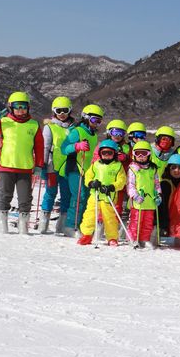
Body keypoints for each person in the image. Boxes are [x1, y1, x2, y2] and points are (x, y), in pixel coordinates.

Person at [0, 91, 44, 235]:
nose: (20, 110)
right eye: (17, 106)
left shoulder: (33, 125)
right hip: (6, 165)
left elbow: (39, 147)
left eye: (24, 106)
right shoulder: (4, 122)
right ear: (10, 107)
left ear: (28, 107)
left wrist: (39, 165)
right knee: (5, 195)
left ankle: (23, 226)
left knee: (25, 198)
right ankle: (2, 224)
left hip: (25, 168)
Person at [60, 104, 104, 237]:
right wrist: (76, 146)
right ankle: (70, 226)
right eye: (94, 120)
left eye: (99, 121)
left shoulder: (93, 135)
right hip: (75, 168)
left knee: (86, 198)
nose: (97, 123)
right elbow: (64, 148)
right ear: (86, 118)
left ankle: (81, 225)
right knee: (79, 197)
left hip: (87, 170)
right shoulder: (77, 131)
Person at [76, 140, 127, 246]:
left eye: (110, 153)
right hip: (95, 195)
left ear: (115, 154)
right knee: (89, 215)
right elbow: (88, 176)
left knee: (109, 218)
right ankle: (87, 235)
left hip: (109, 196)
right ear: (100, 154)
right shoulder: (96, 165)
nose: (107, 155)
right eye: (104, 153)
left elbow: (121, 181)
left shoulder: (118, 166)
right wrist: (91, 183)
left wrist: (112, 187)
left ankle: (112, 237)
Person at [39, 96, 75, 235]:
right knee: (50, 193)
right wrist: (42, 164)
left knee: (66, 195)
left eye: (65, 110)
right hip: (52, 167)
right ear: (54, 111)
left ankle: (61, 226)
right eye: (58, 111)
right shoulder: (50, 127)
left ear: (69, 110)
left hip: (67, 168)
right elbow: (45, 146)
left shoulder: (74, 128)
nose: (62, 114)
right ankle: (44, 224)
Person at [126, 141, 161, 248]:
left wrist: (158, 195)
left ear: (149, 155)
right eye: (138, 154)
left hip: (150, 200)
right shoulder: (133, 168)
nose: (141, 157)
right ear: (134, 155)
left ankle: (144, 239)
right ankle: (133, 238)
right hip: (138, 201)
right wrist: (135, 195)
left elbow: (157, 183)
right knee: (136, 221)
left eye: (144, 154)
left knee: (148, 222)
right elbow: (130, 184)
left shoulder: (153, 169)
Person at [157, 153, 180, 245]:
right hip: (166, 220)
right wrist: (164, 224)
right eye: (173, 167)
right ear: (168, 169)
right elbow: (162, 207)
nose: (176, 171)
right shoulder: (165, 184)